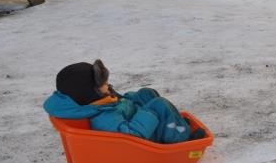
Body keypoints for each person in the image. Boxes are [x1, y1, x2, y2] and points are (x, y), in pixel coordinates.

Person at [44, 59, 205, 143]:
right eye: (103, 84)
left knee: (146, 93)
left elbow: (117, 103)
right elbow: (131, 137)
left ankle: (171, 124)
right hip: (142, 138)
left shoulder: (94, 102)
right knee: (159, 105)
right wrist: (148, 113)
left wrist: (130, 100)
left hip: (133, 118)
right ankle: (180, 138)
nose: (108, 85)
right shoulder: (102, 118)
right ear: (89, 92)